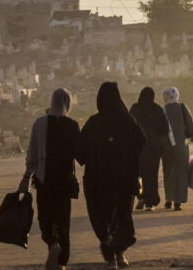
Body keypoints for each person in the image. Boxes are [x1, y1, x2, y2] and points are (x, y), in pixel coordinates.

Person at [76, 82, 145, 269]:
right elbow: (141, 143)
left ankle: (110, 257)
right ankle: (120, 254)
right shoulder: (128, 120)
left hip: (98, 182)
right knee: (122, 216)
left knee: (103, 218)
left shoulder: (93, 123)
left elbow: (80, 154)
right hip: (124, 180)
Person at [19, 89, 80, 270]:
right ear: (68, 103)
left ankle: (52, 243)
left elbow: (32, 155)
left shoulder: (40, 123)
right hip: (65, 180)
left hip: (44, 179)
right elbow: (81, 154)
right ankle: (61, 262)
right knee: (63, 220)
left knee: (45, 216)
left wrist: (25, 178)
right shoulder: (72, 125)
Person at [129, 87, 171, 211]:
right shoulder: (157, 109)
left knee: (138, 173)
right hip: (153, 148)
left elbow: (129, 125)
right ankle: (150, 202)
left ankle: (141, 196)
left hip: (138, 148)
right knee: (151, 175)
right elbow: (165, 129)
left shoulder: (135, 108)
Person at [162, 87, 193, 211]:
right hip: (182, 146)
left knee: (168, 172)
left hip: (167, 147)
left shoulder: (163, 110)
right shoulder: (182, 107)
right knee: (181, 172)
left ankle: (168, 200)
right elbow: (190, 124)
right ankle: (178, 201)